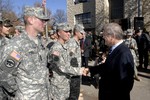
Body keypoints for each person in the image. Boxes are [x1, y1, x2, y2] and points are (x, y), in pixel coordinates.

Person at [0, 6, 51, 99]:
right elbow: (4, 74)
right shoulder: (17, 45)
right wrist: (19, 92)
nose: (45, 23)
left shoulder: (40, 43)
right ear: (31, 20)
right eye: (42, 20)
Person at [87, 23, 134, 100]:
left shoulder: (123, 53)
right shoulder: (115, 49)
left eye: (104, 36)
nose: (103, 38)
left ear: (112, 36)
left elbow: (126, 85)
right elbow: (108, 66)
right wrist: (90, 69)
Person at [47, 23, 85, 100]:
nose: (68, 34)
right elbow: (61, 67)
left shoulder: (63, 48)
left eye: (69, 32)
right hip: (58, 87)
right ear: (59, 33)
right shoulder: (55, 49)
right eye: (66, 31)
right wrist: (78, 71)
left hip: (66, 84)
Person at [67, 24, 85, 100]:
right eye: (81, 33)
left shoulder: (77, 42)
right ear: (76, 32)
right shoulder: (71, 43)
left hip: (77, 73)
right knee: (73, 95)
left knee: (76, 94)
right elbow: (68, 60)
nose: (83, 35)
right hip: (73, 75)